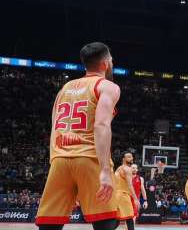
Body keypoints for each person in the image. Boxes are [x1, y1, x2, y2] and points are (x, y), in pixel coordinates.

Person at [35, 42, 120, 230]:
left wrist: (55, 163)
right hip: (89, 158)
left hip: (59, 159)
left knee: (49, 225)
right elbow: (101, 124)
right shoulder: (108, 86)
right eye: (112, 59)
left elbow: (54, 127)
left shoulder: (65, 88)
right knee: (106, 222)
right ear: (105, 64)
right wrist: (105, 170)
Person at [115, 152, 140, 230]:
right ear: (123, 159)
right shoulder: (127, 169)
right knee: (130, 219)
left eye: (131, 157)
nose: (131, 158)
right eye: (129, 157)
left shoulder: (118, 168)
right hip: (123, 195)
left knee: (117, 220)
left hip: (116, 195)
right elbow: (130, 185)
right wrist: (136, 199)